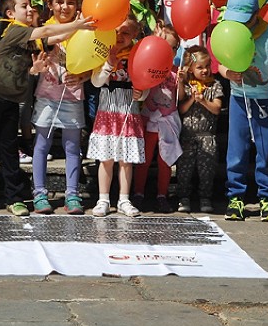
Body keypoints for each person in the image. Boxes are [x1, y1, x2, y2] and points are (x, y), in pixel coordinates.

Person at [0, 0, 92, 216]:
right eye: (24, 6)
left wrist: (33, 70)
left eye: (30, 6)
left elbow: (52, 39)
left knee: (9, 150)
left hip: (11, 100)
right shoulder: (15, 30)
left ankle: (13, 198)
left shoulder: (32, 40)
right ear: (10, 13)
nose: (30, 9)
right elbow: (46, 30)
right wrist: (78, 24)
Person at [217, 0, 268, 222]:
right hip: (239, 97)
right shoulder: (230, 30)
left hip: (265, 97)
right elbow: (220, 65)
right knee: (237, 149)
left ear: (256, 13)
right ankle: (235, 196)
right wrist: (229, 73)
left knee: (266, 149)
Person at [29, 0, 88, 215]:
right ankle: (40, 193)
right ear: (50, 4)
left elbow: (93, 60)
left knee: (72, 147)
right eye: (60, 2)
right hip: (46, 94)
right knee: (41, 145)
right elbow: (42, 44)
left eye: (70, 3)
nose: (65, 7)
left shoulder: (85, 31)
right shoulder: (45, 28)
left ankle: (72, 194)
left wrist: (83, 76)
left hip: (73, 96)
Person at [88, 15, 146, 218]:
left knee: (125, 160)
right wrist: (108, 64)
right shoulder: (104, 52)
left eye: (126, 33)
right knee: (106, 158)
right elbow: (96, 82)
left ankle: (124, 199)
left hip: (128, 111)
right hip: (108, 111)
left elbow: (144, 84)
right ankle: (103, 199)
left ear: (134, 35)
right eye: (117, 32)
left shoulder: (137, 55)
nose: (120, 36)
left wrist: (142, 93)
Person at [133, 23, 181, 212]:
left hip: (168, 121)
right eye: (167, 47)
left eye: (174, 48)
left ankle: (162, 195)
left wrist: (182, 81)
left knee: (165, 160)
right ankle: (138, 193)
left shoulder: (177, 71)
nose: (170, 51)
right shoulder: (149, 67)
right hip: (149, 117)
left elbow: (180, 96)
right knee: (144, 159)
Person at [176, 45, 223, 213]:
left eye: (207, 66)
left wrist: (203, 100)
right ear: (190, 69)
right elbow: (181, 108)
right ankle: (183, 197)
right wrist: (191, 99)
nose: (205, 71)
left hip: (207, 136)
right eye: (200, 67)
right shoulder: (188, 86)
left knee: (206, 170)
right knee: (184, 169)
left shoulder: (214, 85)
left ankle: (205, 197)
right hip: (187, 135)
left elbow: (217, 108)